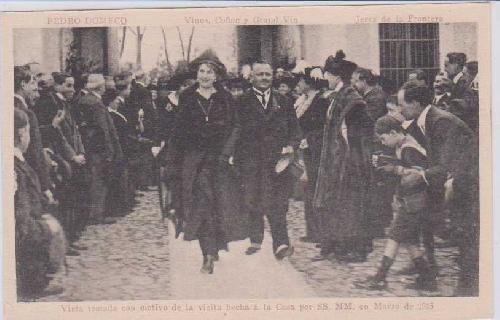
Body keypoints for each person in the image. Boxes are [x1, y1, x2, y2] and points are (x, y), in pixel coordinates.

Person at [165, 50, 245, 274]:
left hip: (220, 161)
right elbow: (177, 131)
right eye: (201, 71)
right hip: (194, 161)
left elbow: (236, 127)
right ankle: (207, 254)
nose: (205, 75)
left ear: (217, 75)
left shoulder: (226, 98)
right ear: (196, 73)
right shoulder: (188, 97)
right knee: (202, 204)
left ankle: (216, 244)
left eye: (209, 72)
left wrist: (227, 152)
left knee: (220, 205)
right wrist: (172, 161)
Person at [400, 81, 479, 296]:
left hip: (468, 180)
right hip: (450, 179)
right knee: (429, 218)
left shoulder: (440, 121)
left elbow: (447, 164)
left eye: (403, 105)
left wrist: (421, 175)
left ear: (415, 104)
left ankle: (468, 287)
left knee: (467, 233)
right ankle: (431, 273)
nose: (400, 110)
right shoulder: (425, 120)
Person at [355, 115, 437, 291]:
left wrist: (394, 169)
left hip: (415, 203)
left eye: (384, 138)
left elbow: (418, 175)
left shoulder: (408, 149)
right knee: (409, 240)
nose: (383, 143)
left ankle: (380, 277)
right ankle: (428, 277)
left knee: (394, 236)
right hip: (414, 202)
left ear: (393, 132)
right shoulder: (405, 145)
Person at [236, 60, 301, 260]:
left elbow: (295, 131)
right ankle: (255, 237)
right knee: (253, 200)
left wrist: (291, 146)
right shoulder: (241, 102)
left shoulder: (284, 101)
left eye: (268, 74)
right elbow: (235, 132)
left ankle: (281, 243)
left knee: (279, 204)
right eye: (260, 74)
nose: (264, 78)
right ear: (252, 77)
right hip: (252, 163)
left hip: (278, 163)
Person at [313, 50, 373, 263]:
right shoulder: (339, 96)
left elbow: (357, 135)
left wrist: (349, 160)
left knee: (351, 205)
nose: (325, 79)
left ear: (335, 76)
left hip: (351, 162)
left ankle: (357, 248)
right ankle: (337, 245)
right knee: (338, 204)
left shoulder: (352, 99)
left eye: (327, 75)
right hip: (337, 159)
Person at [14, 108, 64, 300]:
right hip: (28, 243)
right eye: (28, 132)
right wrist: (47, 228)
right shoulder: (15, 167)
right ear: (21, 133)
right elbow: (21, 225)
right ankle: (31, 284)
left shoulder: (19, 162)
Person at [75, 74, 122, 225]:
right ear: (100, 87)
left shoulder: (83, 100)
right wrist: (109, 150)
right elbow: (104, 129)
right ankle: (96, 215)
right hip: (98, 148)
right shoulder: (96, 103)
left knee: (95, 179)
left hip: (89, 146)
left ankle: (94, 214)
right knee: (99, 180)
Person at [293, 66, 329, 243]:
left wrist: (308, 139)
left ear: (309, 83)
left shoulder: (321, 101)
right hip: (305, 149)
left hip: (316, 150)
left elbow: (323, 128)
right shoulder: (302, 100)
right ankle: (312, 230)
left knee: (315, 188)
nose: (297, 84)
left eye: (300, 81)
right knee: (308, 188)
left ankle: (321, 231)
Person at [14, 66, 55, 206]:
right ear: (23, 84)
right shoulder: (26, 112)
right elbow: (35, 151)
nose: (35, 89)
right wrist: (45, 185)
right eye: (32, 83)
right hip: (27, 173)